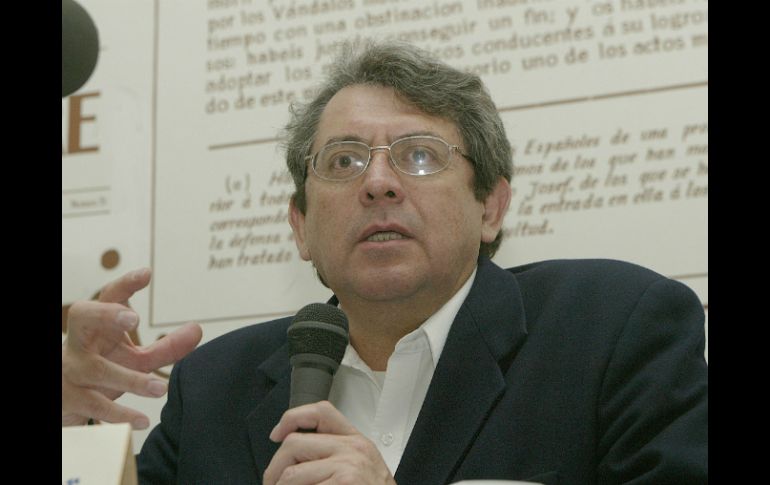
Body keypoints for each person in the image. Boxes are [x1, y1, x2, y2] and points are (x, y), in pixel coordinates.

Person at [62, 39, 708, 484]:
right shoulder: (214, 388)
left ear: (491, 205)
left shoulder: (612, 329)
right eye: (343, 160)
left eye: (419, 155)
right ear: (300, 227)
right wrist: (70, 424)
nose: (377, 184)